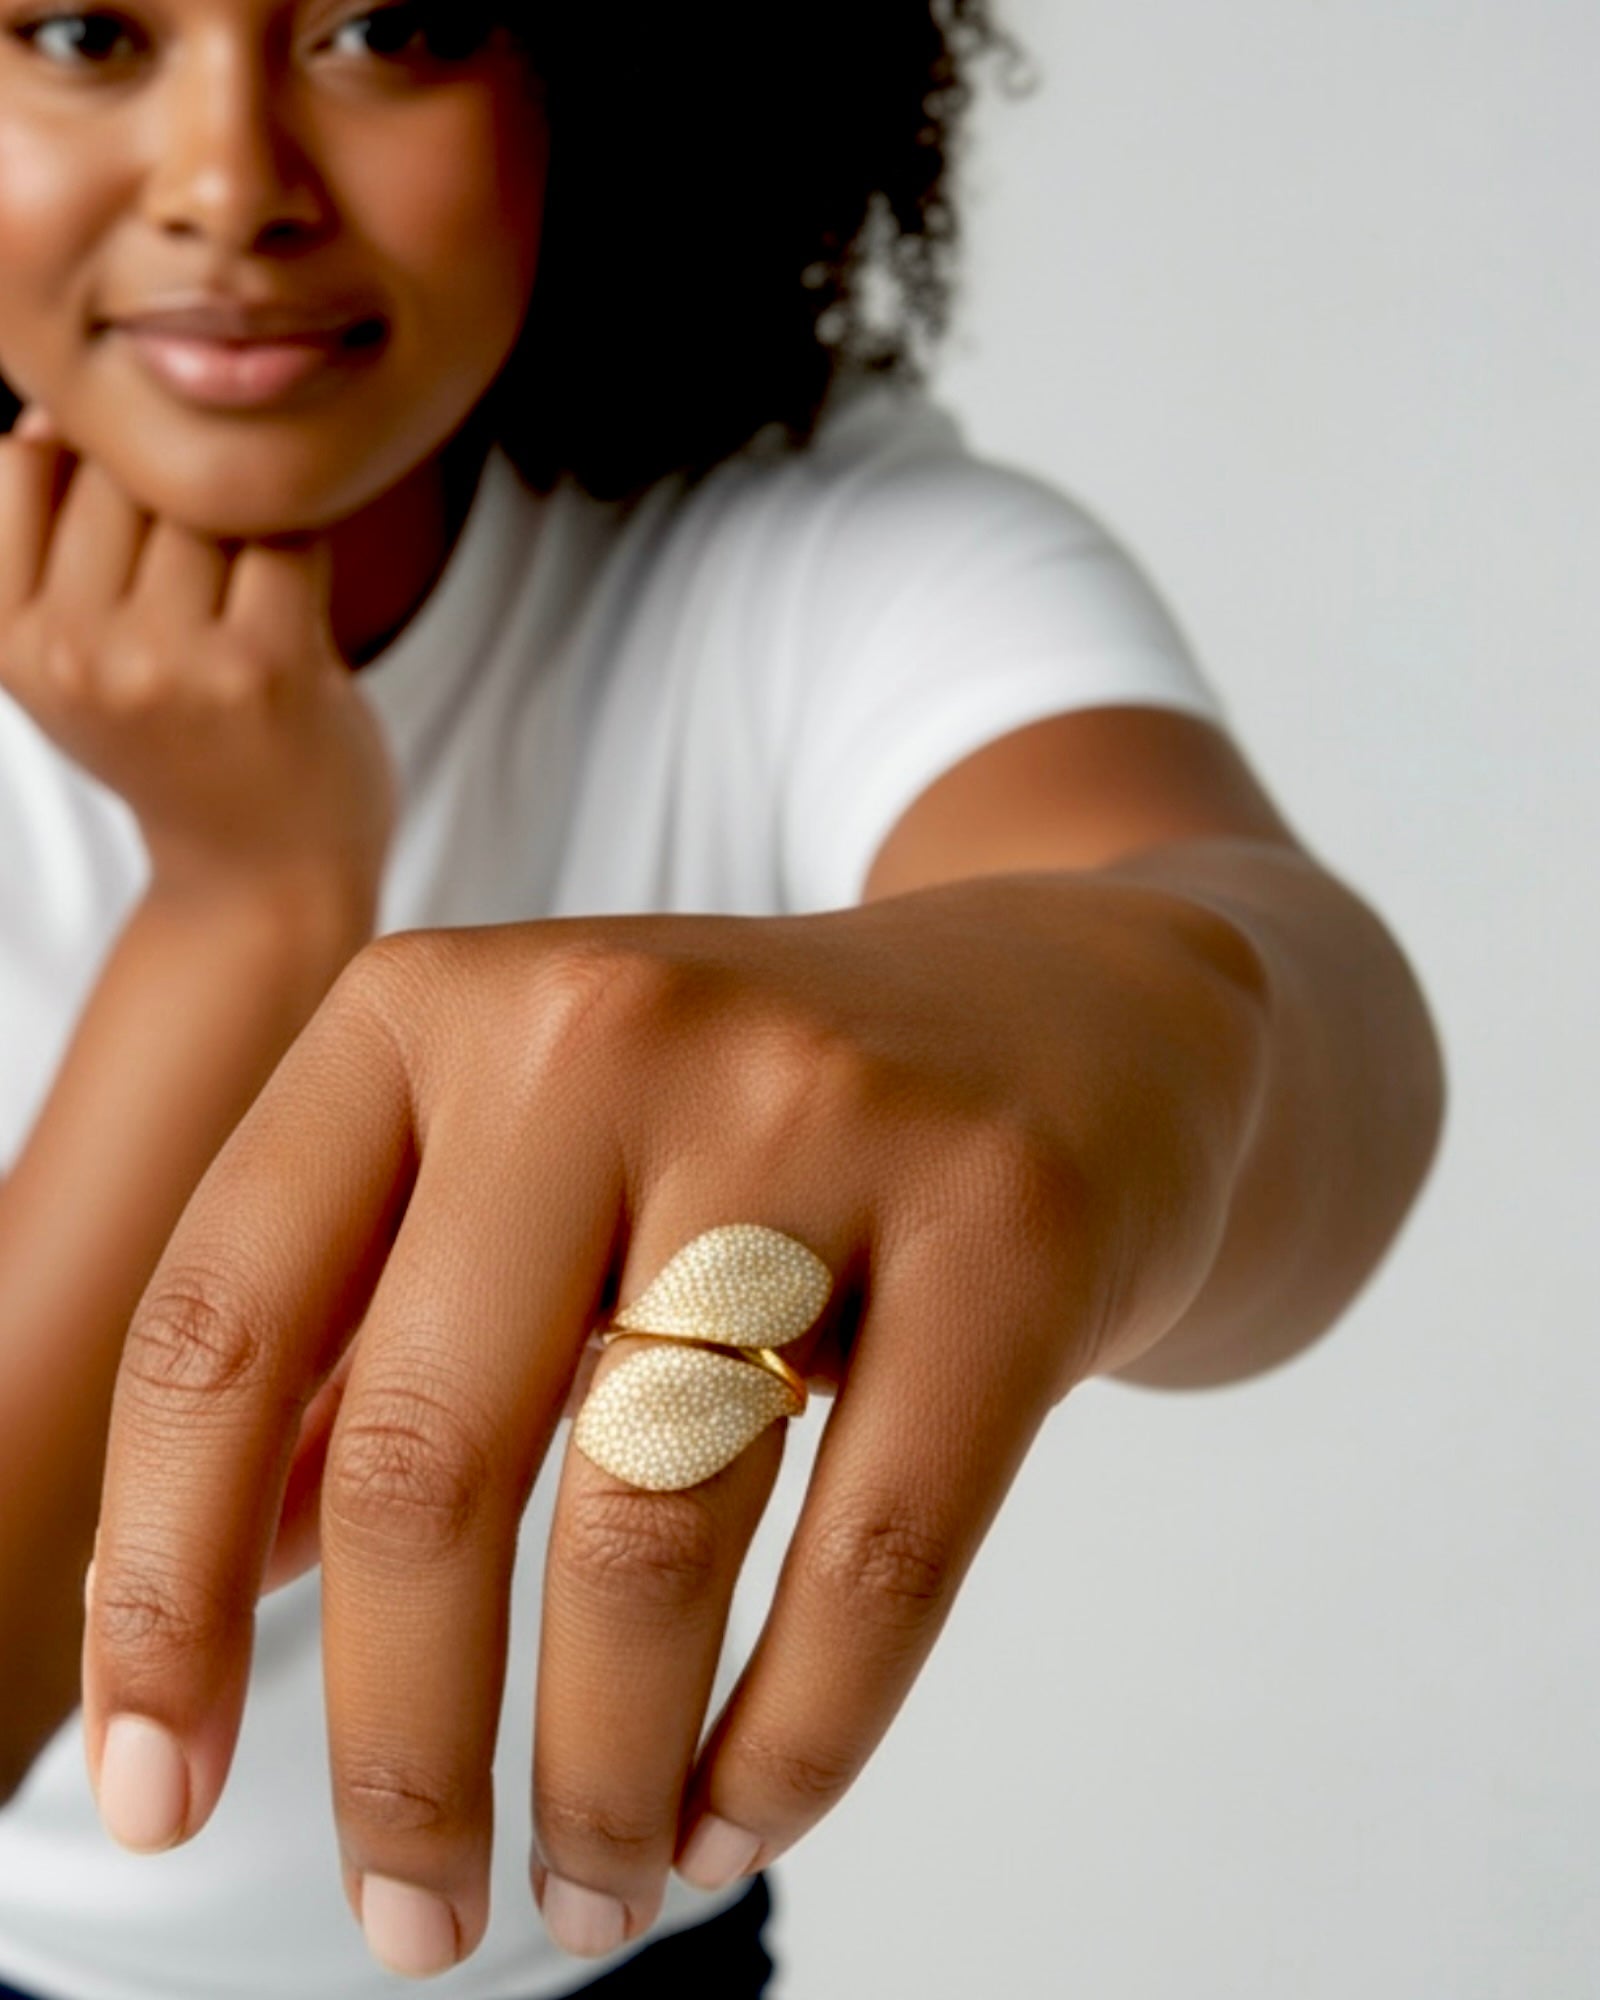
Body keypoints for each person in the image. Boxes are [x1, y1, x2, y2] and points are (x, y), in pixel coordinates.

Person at [0, 0, 1446, 1994]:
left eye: (389, 28)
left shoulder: (795, 539)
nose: (232, 185)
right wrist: (243, 912)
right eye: (79, 32)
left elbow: (1281, 985)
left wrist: (1117, 1019)